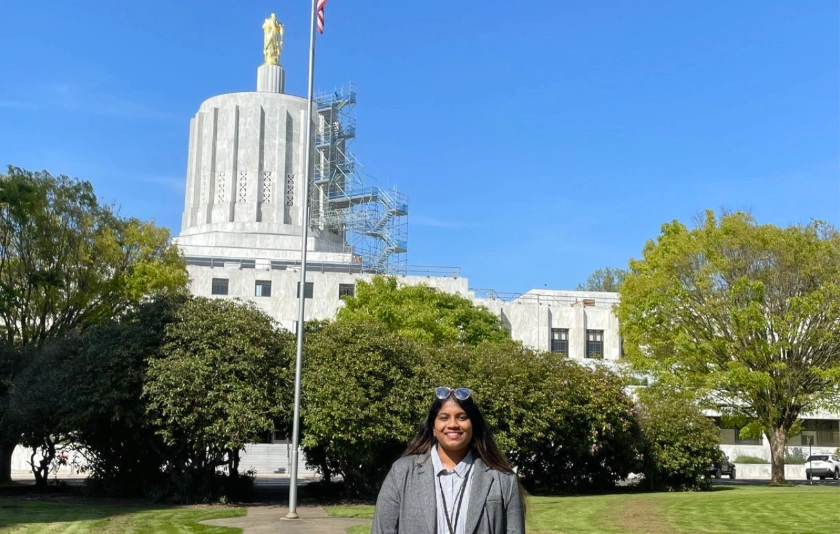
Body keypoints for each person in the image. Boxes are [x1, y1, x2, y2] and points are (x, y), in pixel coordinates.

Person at [372, 387, 525, 534]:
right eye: (444, 418)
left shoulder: (503, 479)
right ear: (433, 427)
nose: (453, 424)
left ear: (473, 426)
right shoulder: (402, 472)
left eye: (462, 417)